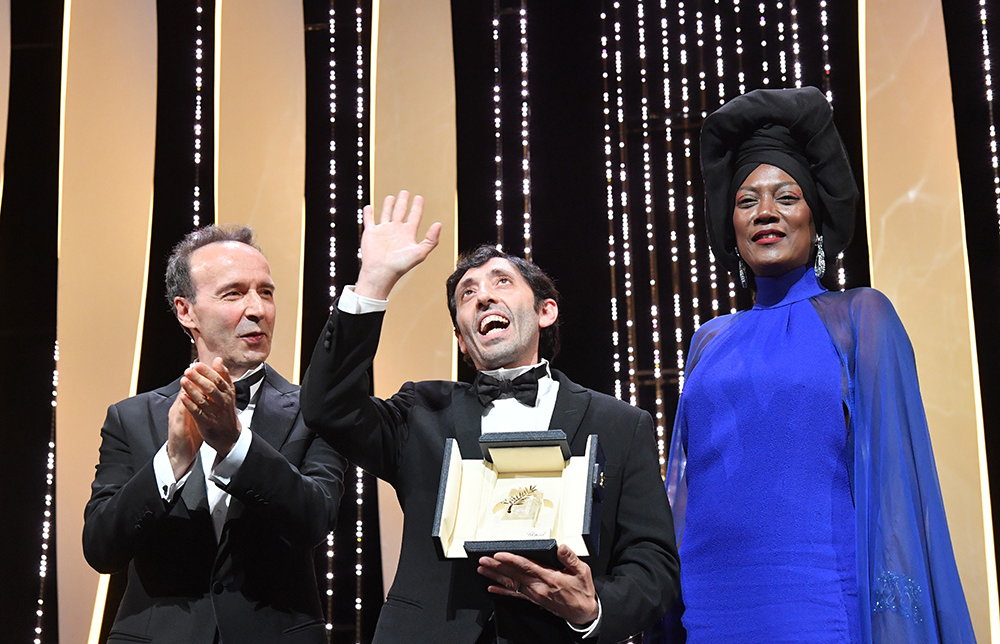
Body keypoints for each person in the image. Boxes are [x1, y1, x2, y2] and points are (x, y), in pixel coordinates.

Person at [664, 86, 976, 642]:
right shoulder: (708, 339)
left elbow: (895, 485)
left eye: (786, 197)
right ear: (730, 227)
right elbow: (685, 487)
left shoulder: (859, 317)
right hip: (707, 602)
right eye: (746, 200)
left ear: (815, 214)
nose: (765, 213)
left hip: (816, 602)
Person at [300, 191, 680, 643]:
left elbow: (653, 564)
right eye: (467, 294)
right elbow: (327, 406)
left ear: (545, 310)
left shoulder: (621, 423)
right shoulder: (420, 411)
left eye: (501, 282)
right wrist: (373, 283)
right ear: (462, 340)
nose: (482, 297)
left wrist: (593, 608)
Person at [83, 225, 346, 644]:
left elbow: (315, 521)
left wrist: (235, 445)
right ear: (186, 311)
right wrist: (170, 461)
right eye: (234, 293)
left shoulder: (314, 413)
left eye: (266, 292)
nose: (257, 309)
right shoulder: (129, 418)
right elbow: (100, 548)